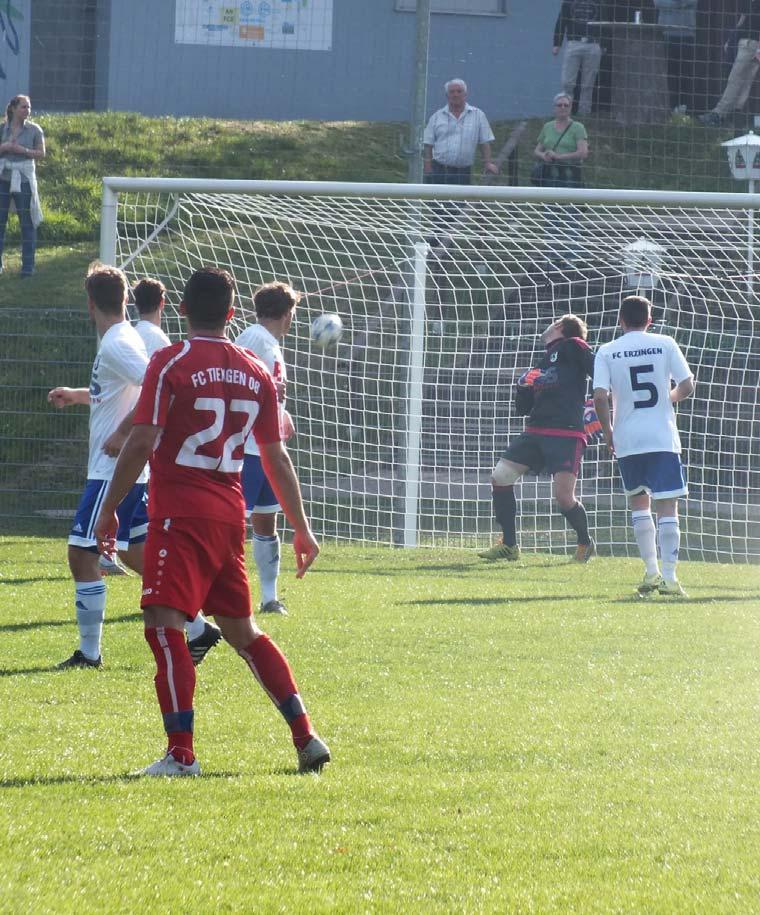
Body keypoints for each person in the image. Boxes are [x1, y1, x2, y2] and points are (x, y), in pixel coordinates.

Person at [93, 266, 330, 777]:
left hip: (179, 512)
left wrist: (109, 506)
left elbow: (141, 440)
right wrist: (302, 526)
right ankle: (306, 735)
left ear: (181, 310)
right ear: (231, 313)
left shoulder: (170, 361)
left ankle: (181, 755)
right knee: (243, 630)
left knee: (162, 624)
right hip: (229, 514)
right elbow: (276, 458)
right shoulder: (255, 368)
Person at [49, 263, 221, 667]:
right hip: (127, 470)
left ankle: (89, 654)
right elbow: (121, 392)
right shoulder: (119, 338)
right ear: (125, 299)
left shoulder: (116, 343)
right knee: (134, 552)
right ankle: (197, 628)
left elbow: (156, 385)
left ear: (90, 304)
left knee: (81, 554)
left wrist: (125, 432)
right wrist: (78, 395)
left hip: (111, 472)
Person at [593, 295, 694, 596]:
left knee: (639, 501)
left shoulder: (607, 350)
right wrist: (669, 398)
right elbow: (688, 385)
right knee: (668, 504)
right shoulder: (665, 343)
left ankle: (650, 573)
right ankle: (671, 577)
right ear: (650, 320)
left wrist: (608, 432)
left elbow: (599, 396)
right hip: (662, 436)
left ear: (620, 320)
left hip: (627, 437)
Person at [479, 315, 596, 563]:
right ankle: (509, 545)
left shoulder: (574, 344)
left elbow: (596, 369)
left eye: (554, 322)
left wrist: (601, 401)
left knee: (564, 498)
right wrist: (522, 387)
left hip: (566, 433)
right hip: (536, 430)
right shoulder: (543, 362)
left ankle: (585, 543)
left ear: (560, 328)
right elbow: (522, 408)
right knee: (500, 477)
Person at [98, 277, 171, 578]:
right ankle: (104, 553)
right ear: (162, 303)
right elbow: (158, 392)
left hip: (121, 434)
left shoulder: (125, 336)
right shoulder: (158, 340)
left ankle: (176, 598)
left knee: (138, 529)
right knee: (134, 527)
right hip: (139, 438)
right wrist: (127, 430)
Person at [234, 281, 298, 616]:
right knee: (233, 526)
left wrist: (281, 413)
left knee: (266, 521)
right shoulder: (253, 338)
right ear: (287, 313)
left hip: (266, 449)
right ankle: (212, 594)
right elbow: (235, 380)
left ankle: (269, 597)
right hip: (247, 449)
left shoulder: (269, 343)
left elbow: (264, 389)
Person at [0, 94, 44, 277]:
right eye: (23, 107)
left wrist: (22, 150)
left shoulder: (34, 130)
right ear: (13, 109)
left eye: (29, 107)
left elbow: (41, 153)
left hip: (24, 180)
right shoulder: (2, 129)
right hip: (3, 179)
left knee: (27, 223)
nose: (27, 110)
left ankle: (28, 267)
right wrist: (5, 148)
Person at [423, 79, 499, 185]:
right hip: (439, 170)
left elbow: (485, 142)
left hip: (463, 172)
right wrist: (427, 166)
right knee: (437, 201)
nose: (455, 95)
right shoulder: (436, 117)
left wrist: (487, 163)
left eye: (459, 91)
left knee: (460, 201)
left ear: (465, 94)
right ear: (447, 95)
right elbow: (428, 144)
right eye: (452, 92)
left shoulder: (478, 115)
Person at [698, 1, 760, 126]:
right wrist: (731, 39)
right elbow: (742, 20)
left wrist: (759, 48)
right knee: (742, 82)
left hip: (752, 44)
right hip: (743, 42)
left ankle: (718, 114)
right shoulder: (749, 2)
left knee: (736, 79)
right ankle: (734, 118)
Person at [553, 0, 604, 116]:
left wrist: (603, 44)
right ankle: (565, 112)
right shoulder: (568, 2)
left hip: (593, 43)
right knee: (567, 82)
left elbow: (604, 22)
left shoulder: (599, 2)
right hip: (574, 42)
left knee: (588, 83)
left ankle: (584, 113)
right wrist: (557, 43)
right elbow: (561, 21)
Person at [533, 93, 589, 188]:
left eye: (566, 105)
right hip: (549, 174)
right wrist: (544, 155)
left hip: (570, 174)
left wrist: (559, 156)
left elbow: (583, 153)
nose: (563, 107)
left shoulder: (578, 127)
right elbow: (536, 151)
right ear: (554, 108)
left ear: (570, 108)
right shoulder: (547, 126)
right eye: (559, 105)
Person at [654, 0, 697, 113]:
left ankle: (683, 108)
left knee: (685, 72)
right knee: (668, 72)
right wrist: (678, 4)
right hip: (666, 33)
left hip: (687, 33)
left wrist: (673, 4)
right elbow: (658, 3)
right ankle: (669, 107)